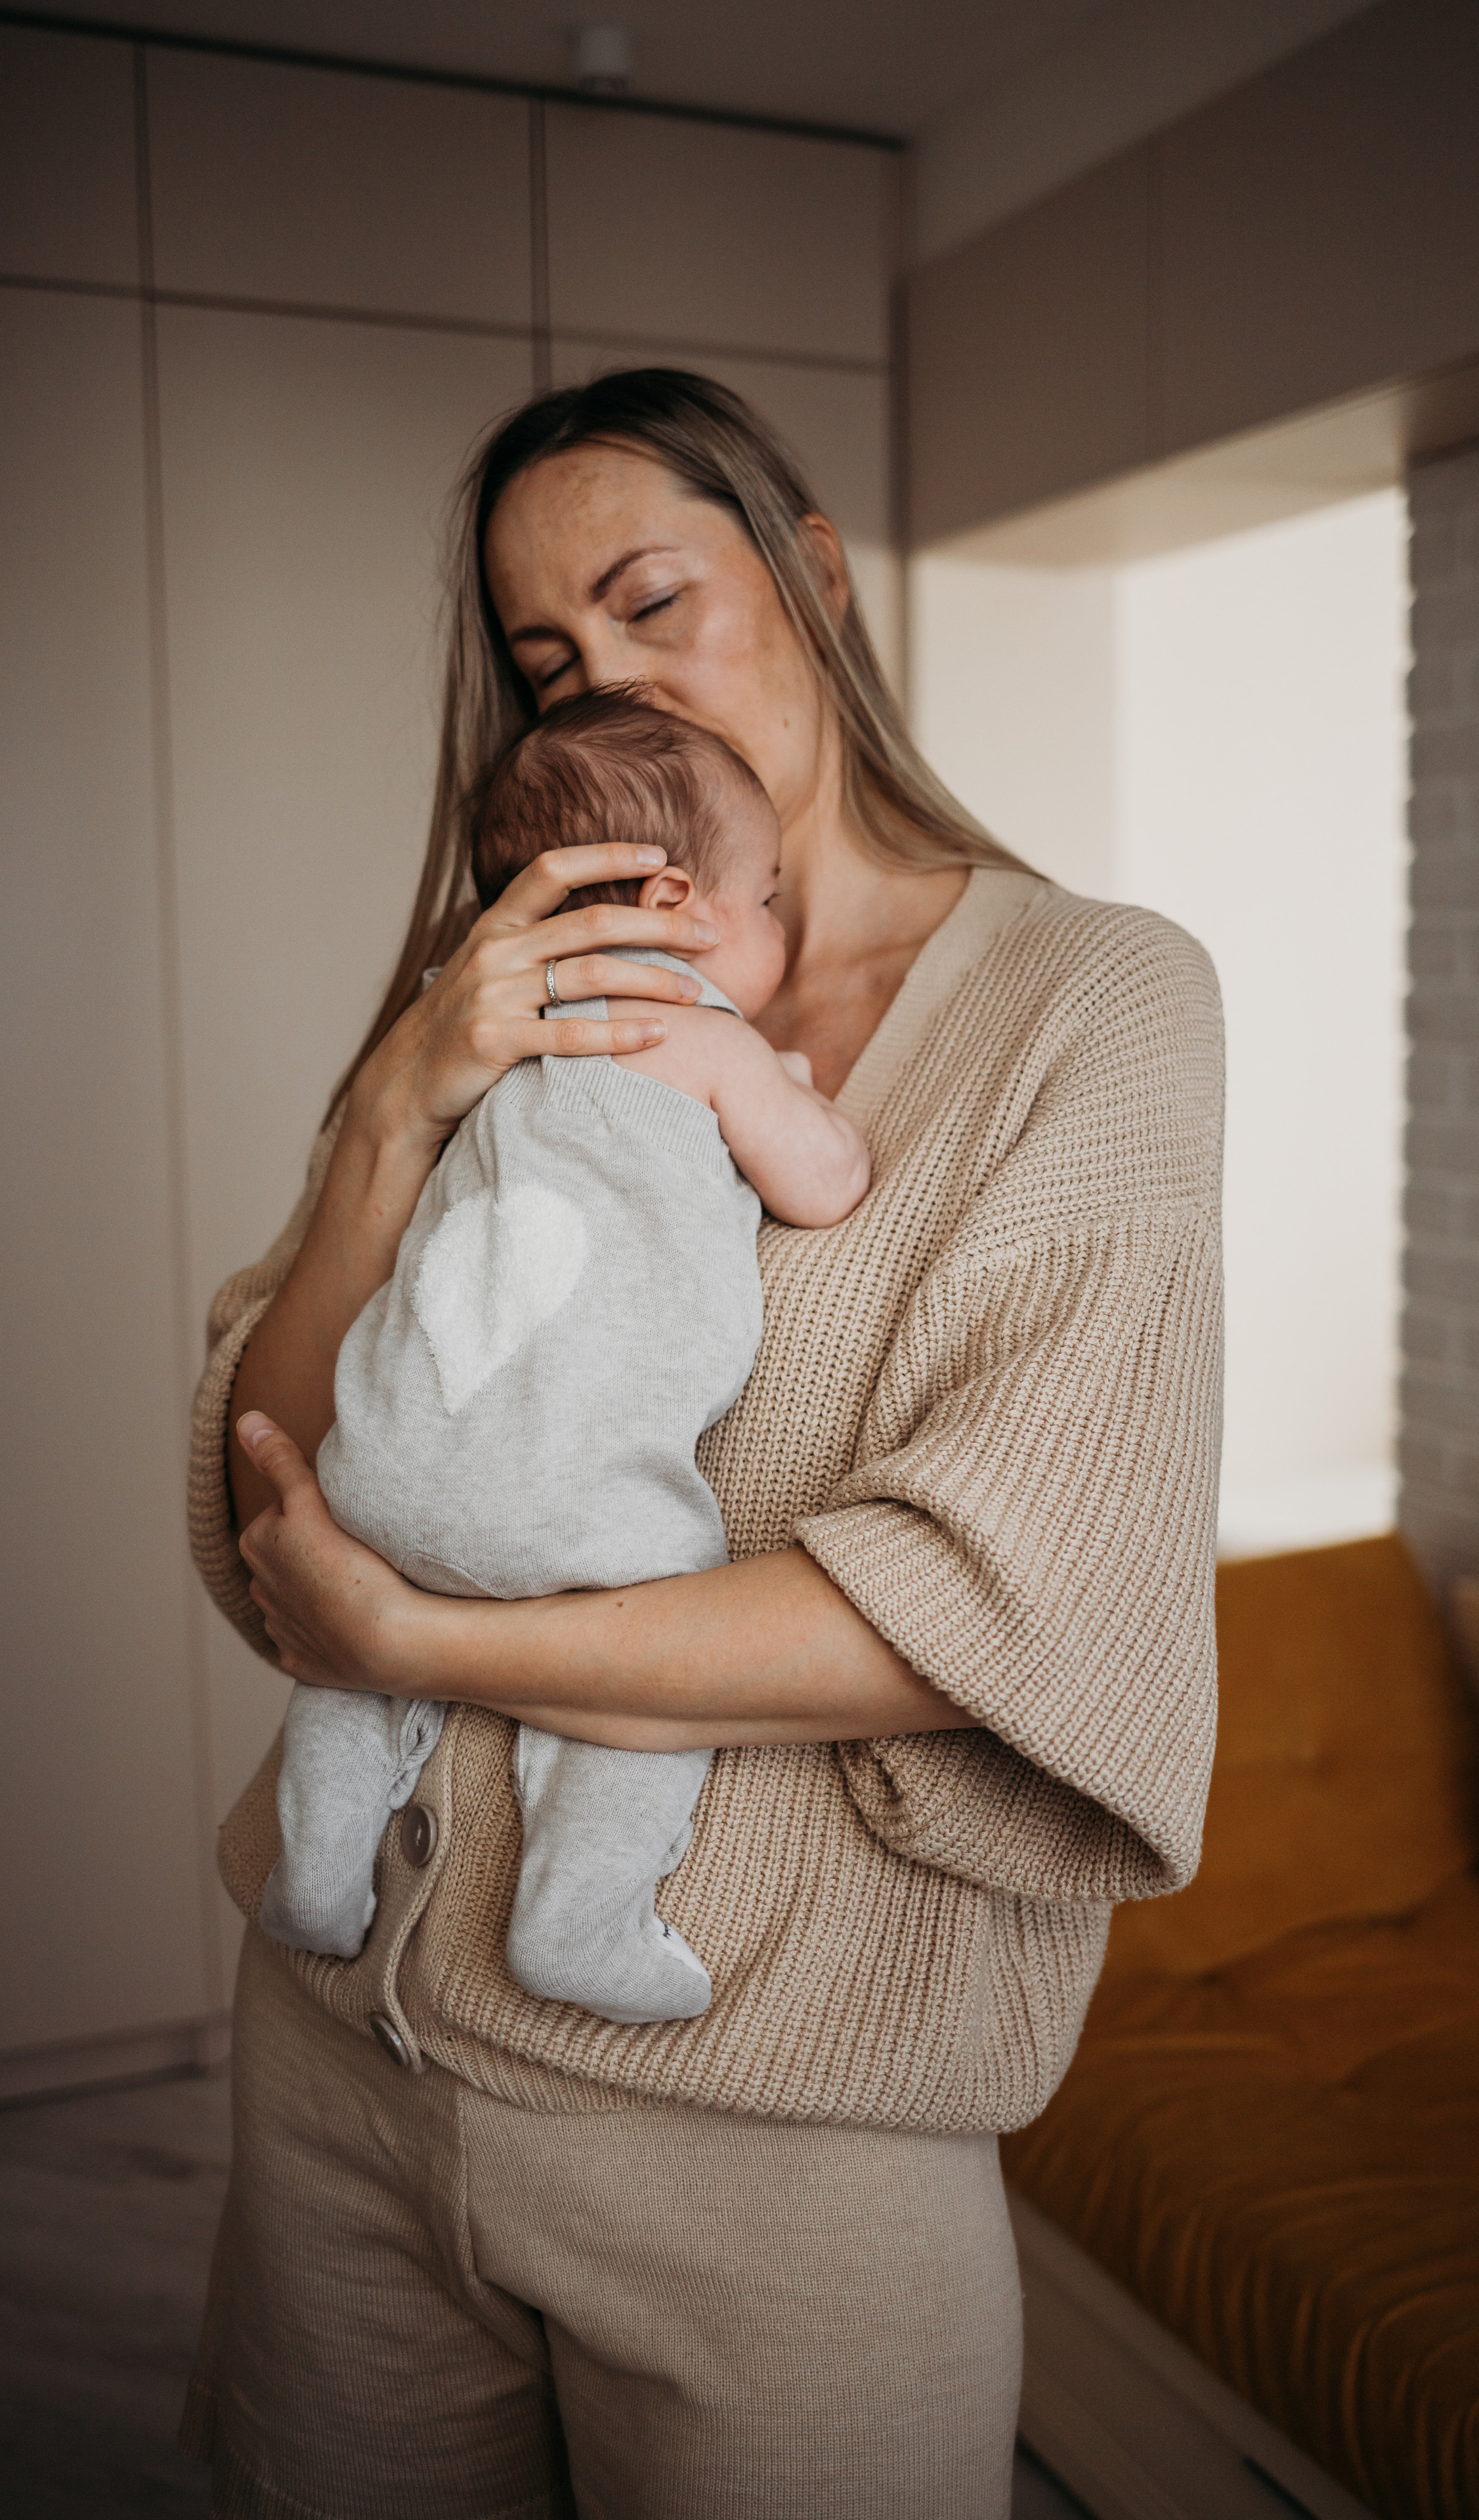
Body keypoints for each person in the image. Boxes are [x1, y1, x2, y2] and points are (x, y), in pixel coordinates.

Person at [183, 367, 1224, 2520]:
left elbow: (991, 1613)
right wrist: (396, 1104)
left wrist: (422, 1642)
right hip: (346, 2056)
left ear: (818, 577)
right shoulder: (519, 974)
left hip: (774, 2134)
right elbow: (266, 1479)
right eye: (554, 660)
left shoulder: (1088, 1009)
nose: (614, 683)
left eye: (658, 601)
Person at [259, 688, 870, 2021]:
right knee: (652, 1648)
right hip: (578, 1509)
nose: (778, 925)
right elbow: (820, 1185)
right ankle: (581, 1918)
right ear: (669, 899)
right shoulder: (701, 1034)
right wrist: (800, 1102)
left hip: (382, 1469)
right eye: (763, 898)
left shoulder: (469, 1029)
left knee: (355, 1666)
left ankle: (316, 1868)